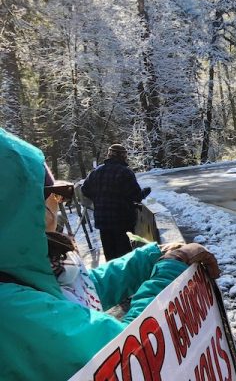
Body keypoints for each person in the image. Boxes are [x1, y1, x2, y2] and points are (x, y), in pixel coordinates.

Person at [0, 129, 220, 380]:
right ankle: (130, 300)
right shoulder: (14, 313)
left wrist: (149, 257)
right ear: (16, 205)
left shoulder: (17, 275)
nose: (58, 202)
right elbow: (127, 353)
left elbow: (84, 289)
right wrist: (171, 267)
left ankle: (128, 295)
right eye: (53, 194)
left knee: (114, 252)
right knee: (122, 248)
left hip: (103, 222)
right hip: (123, 220)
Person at [82, 143, 151, 260]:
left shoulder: (96, 172)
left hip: (102, 220)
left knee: (110, 255)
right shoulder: (125, 172)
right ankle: (127, 277)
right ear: (123, 156)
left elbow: (85, 190)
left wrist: (98, 199)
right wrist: (146, 191)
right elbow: (136, 196)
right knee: (124, 255)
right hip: (122, 220)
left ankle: (111, 276)